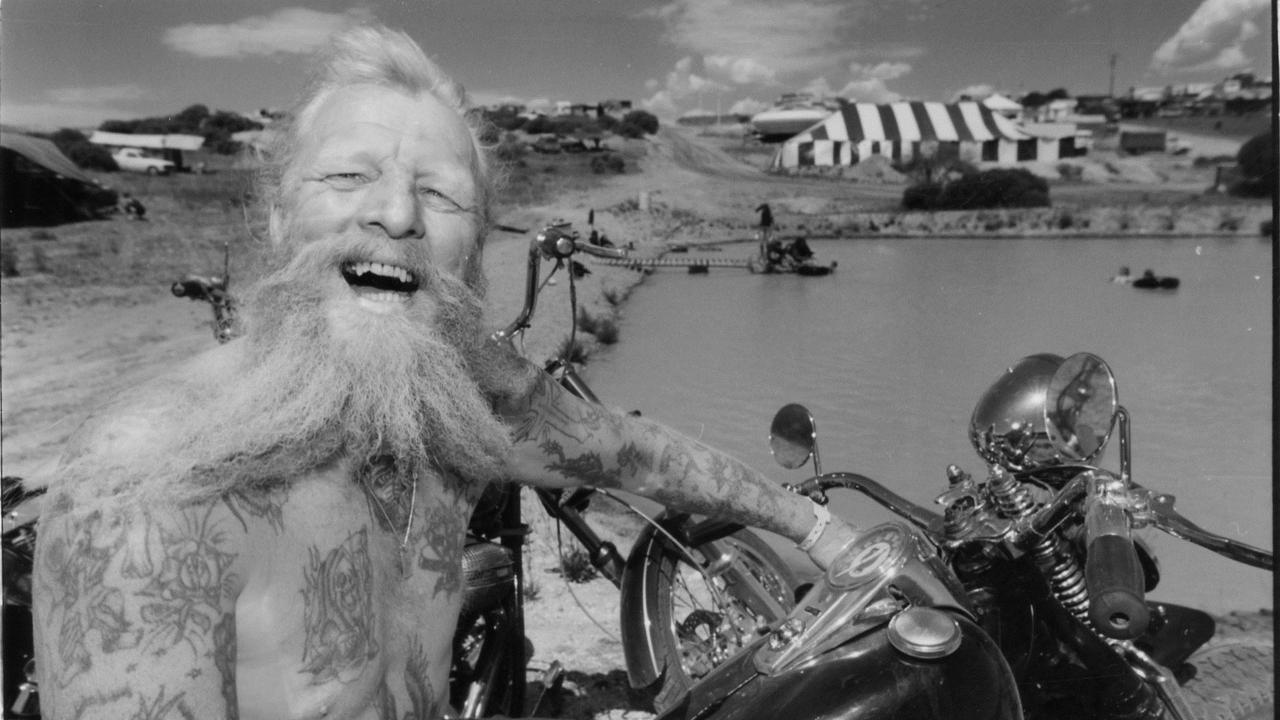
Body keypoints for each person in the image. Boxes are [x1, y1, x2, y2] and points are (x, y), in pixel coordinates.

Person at [31, 24, 858, 720]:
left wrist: (818, 530)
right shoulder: (149, 483)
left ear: (476, 248)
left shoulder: (458, 400)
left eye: (442, 196)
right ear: (280, 219)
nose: (396, 215)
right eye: (349, 176)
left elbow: (629, 453)